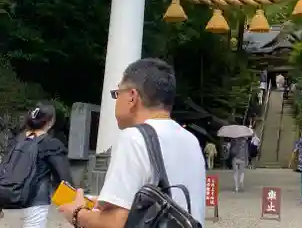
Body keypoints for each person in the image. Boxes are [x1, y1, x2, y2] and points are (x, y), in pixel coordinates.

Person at [58, 58, 206, 228]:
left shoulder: (134, 137)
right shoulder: (190, 139)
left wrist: (77, 213)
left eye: (116, 93)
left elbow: (116, 224)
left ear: (132, 97)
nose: (116, 100)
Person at [3, 103, 73, 228]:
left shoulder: (16, 140)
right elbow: (64, 177)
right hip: (35, 203)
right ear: (50, 122)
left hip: (6, 199)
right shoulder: (51, 144)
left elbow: (4, 167)